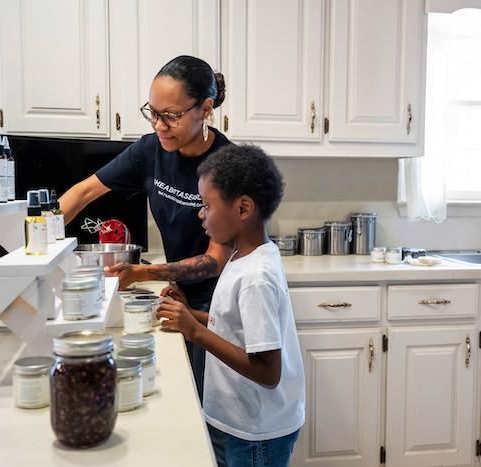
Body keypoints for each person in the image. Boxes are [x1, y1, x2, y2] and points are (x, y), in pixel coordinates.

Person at [59, 55, 234, 400]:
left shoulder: (227, 165)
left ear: (206, 108)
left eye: (171, 116)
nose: (159, 125)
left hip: (220, 304)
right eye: (153, 112)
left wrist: (142, 273)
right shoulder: (150, 150)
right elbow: (82, 193)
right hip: (181, 294)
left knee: (211, 403)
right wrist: (36, 243)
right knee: (181, 395)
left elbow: (215, 260)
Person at [157, 144, 305, 467]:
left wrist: (195, 331)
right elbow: (236, 327)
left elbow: (268, 371)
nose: (200, 213)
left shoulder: (256, 276)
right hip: (240, 422)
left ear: (243, 209)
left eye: (207, 205)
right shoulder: (244, 255)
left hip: (255, 432)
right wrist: (191, 315)